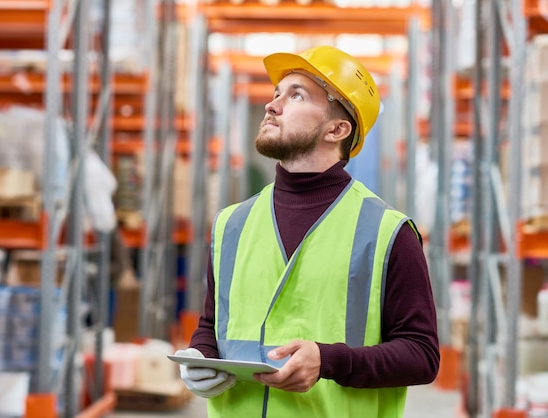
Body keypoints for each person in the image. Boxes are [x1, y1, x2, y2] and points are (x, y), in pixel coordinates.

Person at [174, 45, 440, 418]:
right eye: (276, 94)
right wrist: (199, 358)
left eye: (296, 94)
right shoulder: (231, 224)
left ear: (337, 128)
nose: (272, 105)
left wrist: (328, 360)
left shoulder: (387, 232)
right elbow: (211, 325)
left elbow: (422, 355)